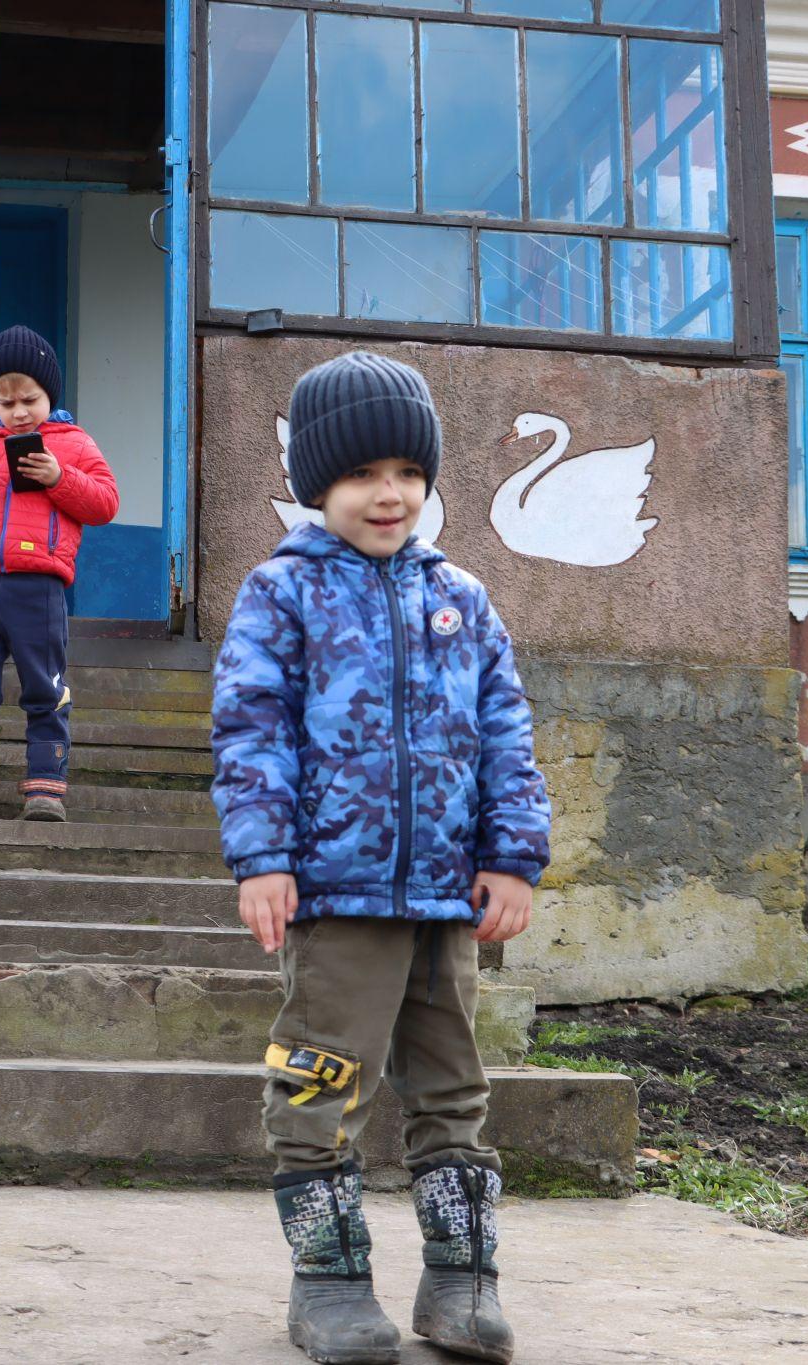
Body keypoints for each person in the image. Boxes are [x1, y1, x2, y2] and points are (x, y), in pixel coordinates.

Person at [211, 351, 552, 1365]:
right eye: (363, 474)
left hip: (446, 900)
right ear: (317, 484)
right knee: (316, 1084)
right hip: (332, 897)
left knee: (453, 1088)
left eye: (408, 471)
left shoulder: (462, 599)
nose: (389, 493)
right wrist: (261, 857)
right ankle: (326, 1285)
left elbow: (504, 734)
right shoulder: (280, 594)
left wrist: (513, 856)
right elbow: (248, 729)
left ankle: (461, 1285)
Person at [0, 326, 119, 822]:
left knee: (44, 687)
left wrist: (60, 476)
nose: (17, 412)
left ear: (49, 395)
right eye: (6, 401)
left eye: (29, 400)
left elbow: (104, 503)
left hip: (39, 585)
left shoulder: (74, 444)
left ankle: (45, 789)